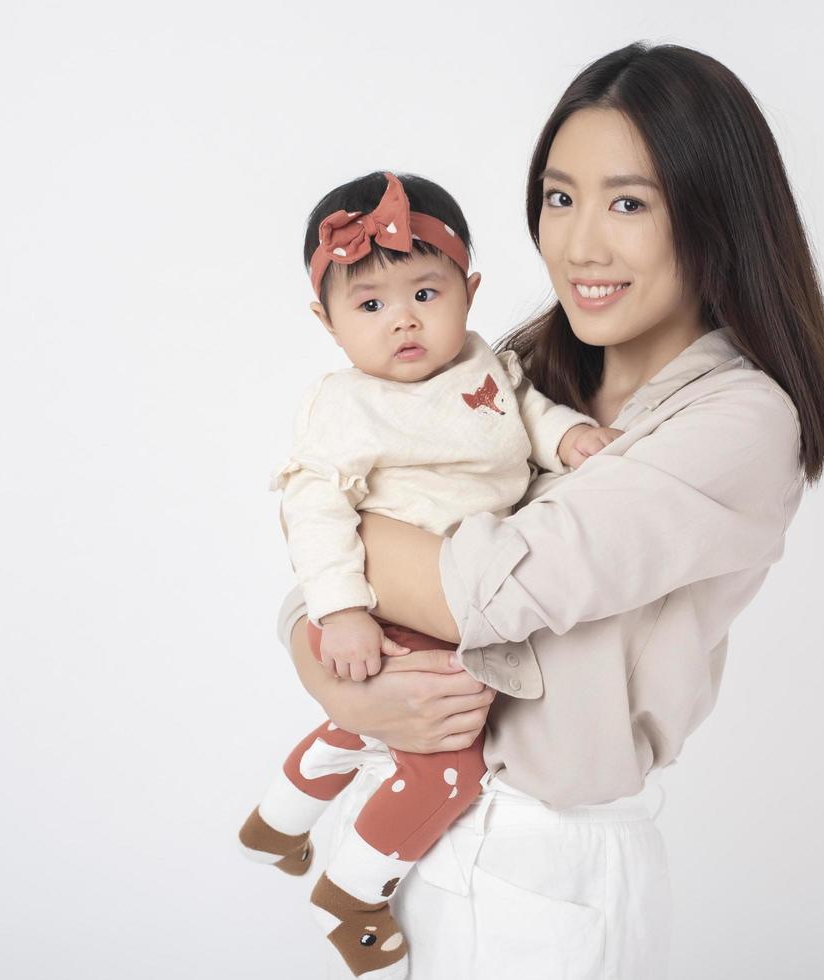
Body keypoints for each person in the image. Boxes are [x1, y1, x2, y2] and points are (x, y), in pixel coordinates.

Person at [275, 41, 824, 979]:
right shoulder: (503, 374)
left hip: (546, 868)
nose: (580, 244)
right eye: (559, 197)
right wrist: (333, 673)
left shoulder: (738, 422)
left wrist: (335, 532)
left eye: (629, 202)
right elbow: (314, 575)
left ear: (715, 217)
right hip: (410, 822)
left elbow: (485, 593)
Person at [238, 169, 620, 979]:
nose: (403, 321)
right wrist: (337, 611)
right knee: (448, 755)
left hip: (464, 589)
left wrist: (569, 442)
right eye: (370, 305)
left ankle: (277, 822)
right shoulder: (343, 405)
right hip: (388, 603)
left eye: (425, 293)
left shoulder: (486, 364)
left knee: (377, 720)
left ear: (470, 292)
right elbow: (314, 512)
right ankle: (354, 893)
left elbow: (528, 416)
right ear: (327, 321)